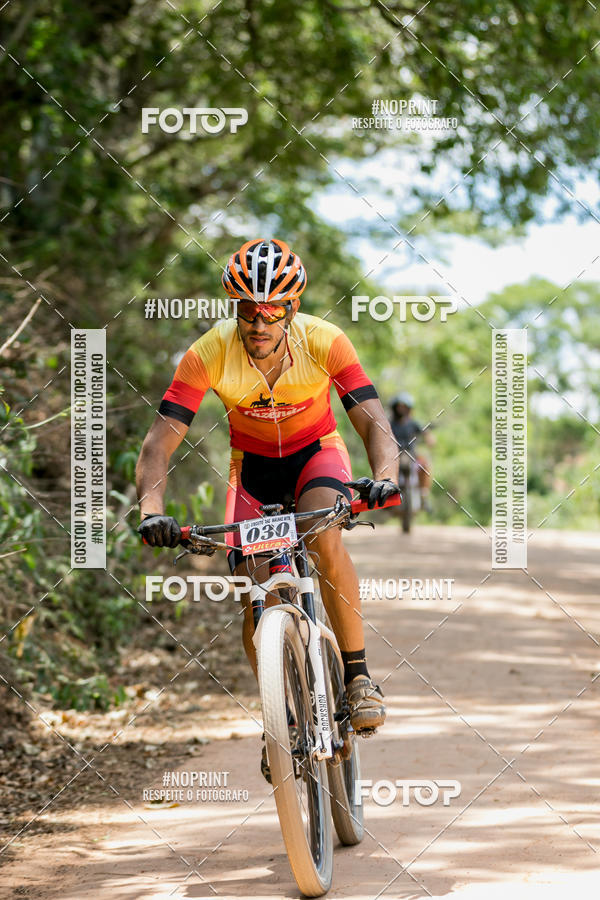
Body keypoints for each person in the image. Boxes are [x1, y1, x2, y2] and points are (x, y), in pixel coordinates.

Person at [136, 238, 400, 779]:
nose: (258, 322)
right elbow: (157, 444)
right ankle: (278, 721)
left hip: (316, 455)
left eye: (272, 310)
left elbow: (374, 423)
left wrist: (386, 479)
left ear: (291, 309)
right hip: (252, 469)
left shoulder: (326, 342)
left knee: (326, 536)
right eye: (247, 310)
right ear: (234, 308)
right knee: (254, 587)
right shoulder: (209, 351)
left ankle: (357, 675)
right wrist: (150, 509)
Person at [389, 392, 435, 511]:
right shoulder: (389, 424)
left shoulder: (413, 423)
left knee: (425, 465)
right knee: (381, 468)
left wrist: (429, 439)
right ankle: (384, 496)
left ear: (408, 408)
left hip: (412, 456)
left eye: (404, 407)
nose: (401, 409)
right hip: (393, 456)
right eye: (399, 406)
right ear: (394, 408)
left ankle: (424, 496)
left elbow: (425, 432)